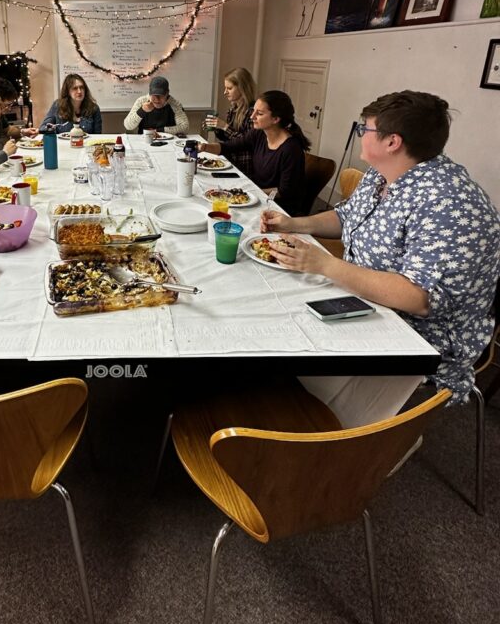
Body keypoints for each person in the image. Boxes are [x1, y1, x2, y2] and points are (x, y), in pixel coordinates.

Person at [261, 90, 500, 413]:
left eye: (365, 129)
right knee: (269, 309)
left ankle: (322, 427)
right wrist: (292, 224)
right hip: (363, 300)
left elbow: (418, 297)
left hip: (416, 337)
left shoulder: (448, 202)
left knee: (277, 349)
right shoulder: (382, 174)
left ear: (392, 142)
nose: (360, 134)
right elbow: (346, 217)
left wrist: (324, 265)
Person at [207, 90, 308, 215]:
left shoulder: (291, 150)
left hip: (279, 209)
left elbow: (283, 192)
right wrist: (204, 147)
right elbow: (230, 146)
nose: (252, 116)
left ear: (275, 119)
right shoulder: (259, 134)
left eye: (259, 113)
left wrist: (252, 192)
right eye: (253, 111)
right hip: (258, 197)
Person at [199, 67, 257, 177]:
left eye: (229, 88)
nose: (225, 92)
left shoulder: (252, 112)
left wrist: (225, 126)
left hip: (243, 166)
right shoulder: (233, 108)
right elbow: (227, 139)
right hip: (230, 160)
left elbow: (247, 143)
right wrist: (217, 128)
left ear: (242, 88)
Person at [0, 76, 36, 154]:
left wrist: (23, 131)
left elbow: (7, 129)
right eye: (7, 105)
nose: (9, 109)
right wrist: (4, 153)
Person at [123, 76, 189, 136]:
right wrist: (142, 111)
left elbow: (185, 128)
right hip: (144, 140)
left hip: (168, 142)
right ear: (150, 93)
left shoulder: (175, 104)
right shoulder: (141, 101)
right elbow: (128, 126)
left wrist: (158, 130)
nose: (157, 99)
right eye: (154, 95)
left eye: (161, 95)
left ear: (167, 93)